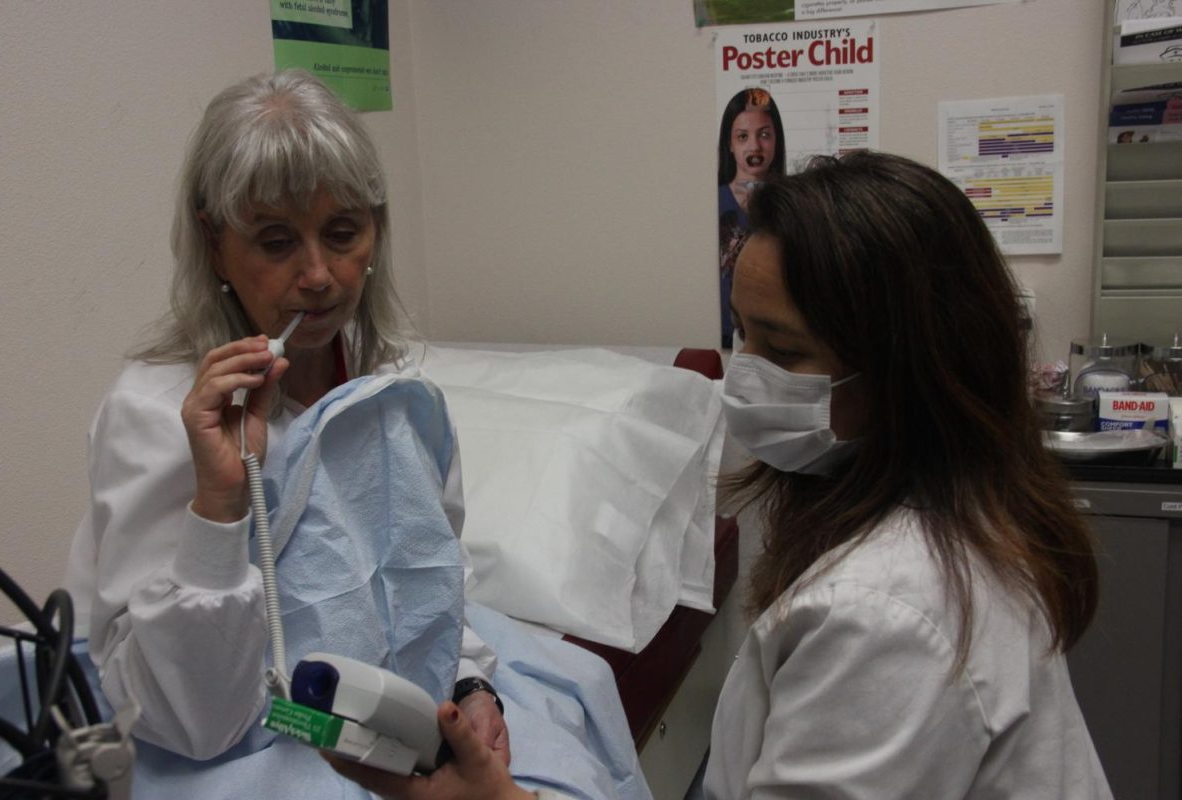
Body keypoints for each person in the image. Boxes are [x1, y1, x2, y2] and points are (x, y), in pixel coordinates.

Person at [328, 150, 1113, 799]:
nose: (744, 376)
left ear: (909, 371)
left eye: (783, 349)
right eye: (742, 336)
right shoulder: (935, 514)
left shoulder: (892, 617)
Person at [63, 70, 507, 795]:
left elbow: (433, 579)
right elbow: (189, 723)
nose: (320, 276)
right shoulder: (153, 414)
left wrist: (472, 687)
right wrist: (219, 505)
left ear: (377, 226)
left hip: (406, 729)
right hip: (236, 759)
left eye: (342, 233)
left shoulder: (391, 390)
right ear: (214, 242)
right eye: (275, 241)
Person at [717, 87, 785, 349]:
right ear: (730, 145)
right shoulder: (719, 201)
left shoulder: (795, 206)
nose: (755, 146)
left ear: (776, 140)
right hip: (731, 336)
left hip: (778, 339)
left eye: (765, 135)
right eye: (742, 136)